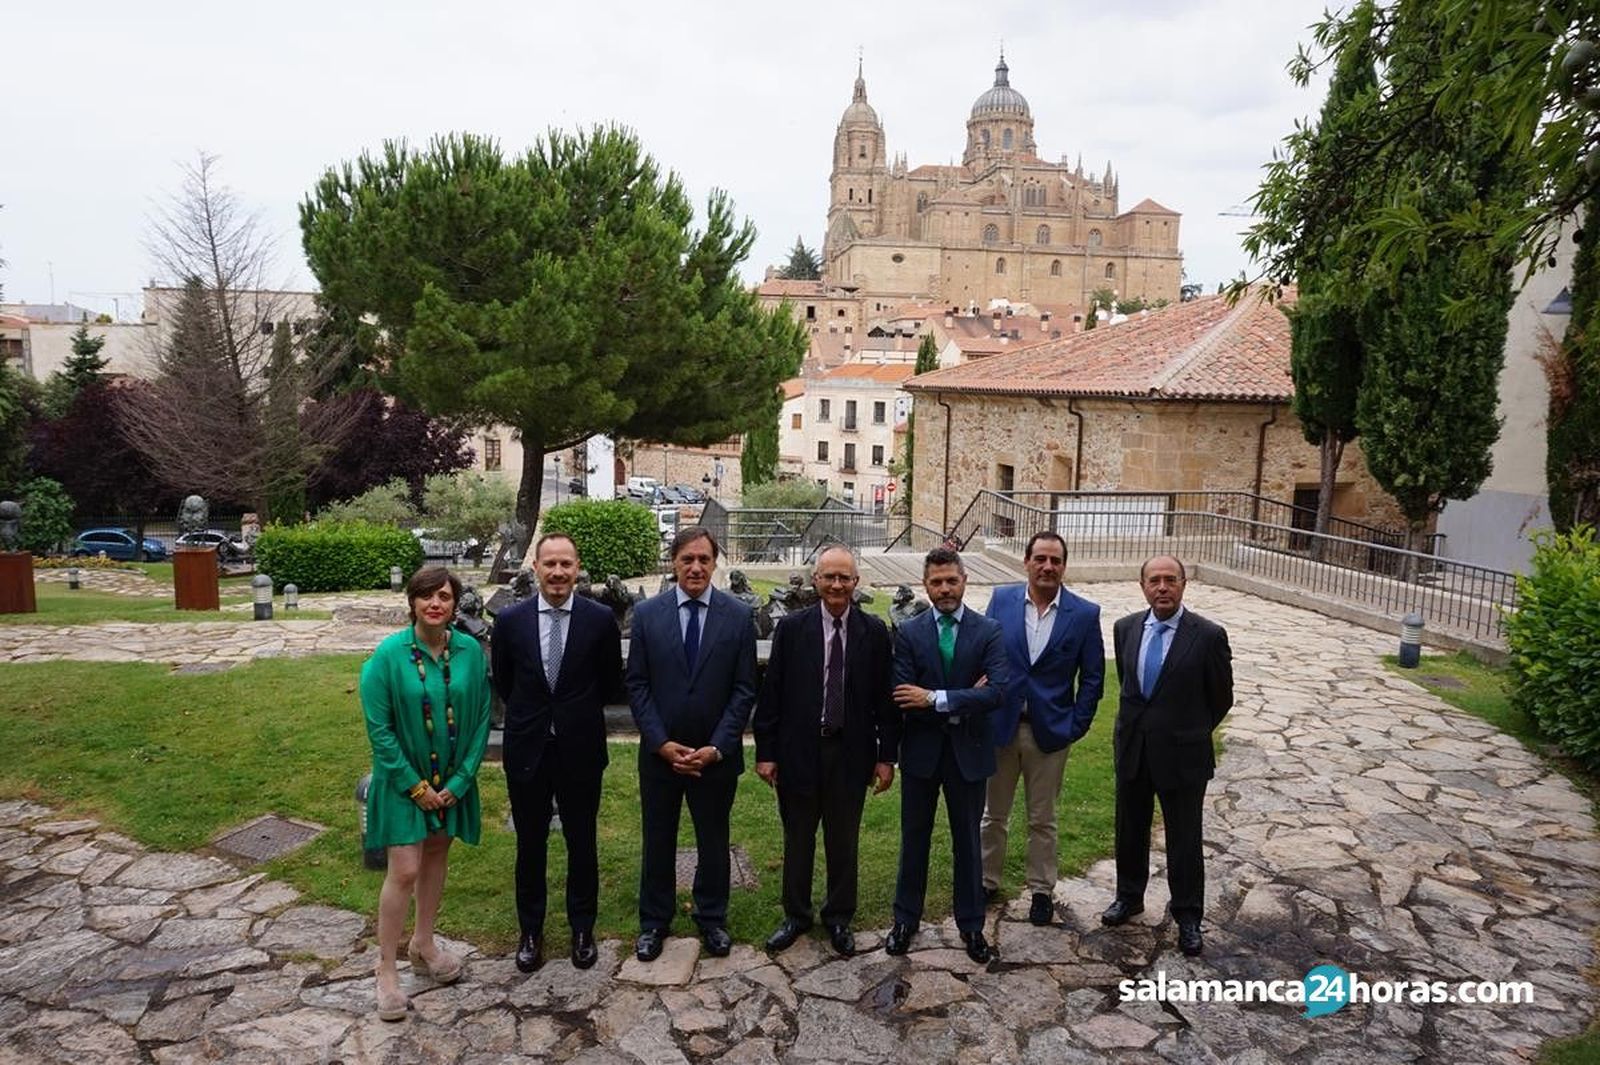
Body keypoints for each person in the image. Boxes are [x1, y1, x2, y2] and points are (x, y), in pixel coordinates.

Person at [359, 566, 492, 1021]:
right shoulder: (388, 656)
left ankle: (424, 943)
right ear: (412, 602)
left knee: (436, 853)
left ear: (455, 603)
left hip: (451, 784)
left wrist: (459, 782)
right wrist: (414, 785)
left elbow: (480, 719)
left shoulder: (471, 652)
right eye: (426, 597)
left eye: (444, 596)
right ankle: (386, 970)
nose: (435, 604)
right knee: (404, 868)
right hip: (404, 783)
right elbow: (380, 731)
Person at [754, 545, 898, 957]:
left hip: (851, 755)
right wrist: (766, 752)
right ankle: (796, 916)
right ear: (815, 580)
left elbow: (884, 704)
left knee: (843, 840)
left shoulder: (873, 633)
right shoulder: (792, 630)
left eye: (845, 578)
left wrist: (886, 757)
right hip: (799, 751)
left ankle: (838, 916)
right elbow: (772, 696)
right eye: (829, 577)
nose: (837, 585)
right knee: (797, 838)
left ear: (856, 583)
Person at [491, 533, 622, 974]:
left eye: (566, 564)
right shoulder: (509, 622)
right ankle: (531, 931)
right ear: (537, 566)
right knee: (530, 845)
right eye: (550, 564)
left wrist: (572, 715)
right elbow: (505, 682)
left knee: (581, 841)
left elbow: (608, 683)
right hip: (528, 748)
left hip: (580, 748)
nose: (559, 572)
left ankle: (582, 929)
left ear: (577, 566)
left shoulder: (599, 619)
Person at [627, 526, 758, 960]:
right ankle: (654, 922)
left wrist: (719, 745)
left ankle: (712, 918)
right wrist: (661, 743)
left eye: (704, 559)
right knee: (658, 839)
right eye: (687, 559)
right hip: (661, 756)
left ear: (715, 562)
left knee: (714, 841)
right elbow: (638, 685)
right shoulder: (647, 615)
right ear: (674, 564)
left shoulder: (738, 616)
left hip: (715, 757)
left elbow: (744, 689)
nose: (696, 567)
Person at [1102, 555, 1233, 957]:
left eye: (1170, 580)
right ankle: (1129, 897)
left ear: (1183, 585)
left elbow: (1221, 698)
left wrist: (1187, 731)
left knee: (1184, 839)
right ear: (1142, 586)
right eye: (1154, 580)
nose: (1162, 587)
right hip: (1134, 750)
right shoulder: (1125, 629)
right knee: (1130, 828)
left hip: (1183, 755)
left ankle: (1188, 916)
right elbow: (1132, 689)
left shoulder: (1208, 635)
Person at [887, 546, 1009, 963]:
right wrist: (963, 697)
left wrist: (934, 698)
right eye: (936, 582)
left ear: (964, 581)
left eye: (951, 581)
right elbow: (903, 694)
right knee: (913, 840)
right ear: (926, 585)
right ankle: (905, 920)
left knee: (967, 844)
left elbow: (997, 693)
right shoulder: (909, 632)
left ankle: (972, 927)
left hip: (968, 755)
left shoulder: (988, 630)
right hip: (921, 755)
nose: (944, 589)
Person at [981, 531, 1104, 925]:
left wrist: (1075, 725)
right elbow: (984, 652)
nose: (1048, 566)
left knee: (1042, 819)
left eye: (1055, 560)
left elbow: (1093, 678)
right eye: (1041, 559)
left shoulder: (1084, 614)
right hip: (1000, 727)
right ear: (1027, 562)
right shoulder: (1001, 601)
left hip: (1049, 733)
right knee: (992, 814)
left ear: (1064, 566)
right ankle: (986, 880)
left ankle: (1040, 890)